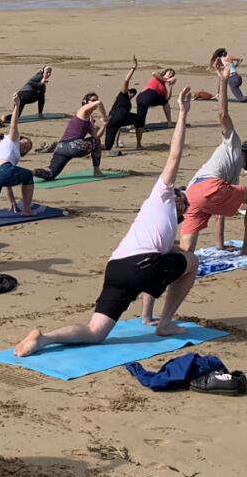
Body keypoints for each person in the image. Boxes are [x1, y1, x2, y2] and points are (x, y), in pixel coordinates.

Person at [15, 89, 198, 354]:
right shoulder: (163, 196)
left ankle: (43, 339)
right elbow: (175, 155)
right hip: (140, 266)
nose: (183, 199)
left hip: (116, 269)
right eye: (182, 196)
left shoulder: (160, 226)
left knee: (95, 332)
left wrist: (145, 316)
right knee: (192, 262)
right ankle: (166, 323)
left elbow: (155, 274)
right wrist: (182, 114)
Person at [177, 59, 247, 253]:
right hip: (207, 187)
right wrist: (224, 81)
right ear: (246, 147)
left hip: (192, 194)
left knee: (187, 249)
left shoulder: (232, 178)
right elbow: (222, 114)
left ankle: (173, 262)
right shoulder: (233, 142)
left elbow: (220, 214)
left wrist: (220, 245)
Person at [33, 92, 104, 180]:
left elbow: (96, 136)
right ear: (86, 102)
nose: (95, 101)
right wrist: (105, 117)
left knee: (50, 173)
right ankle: (96, 171)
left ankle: (31, 172)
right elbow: (99, 103)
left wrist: (104, 125)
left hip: (61, 147)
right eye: (93, 100)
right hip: (74, 146)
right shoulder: (82, 110)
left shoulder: (88, 121)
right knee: (96, 142)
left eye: (96, 99)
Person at [101, 57, 144, 151]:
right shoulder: (123, 94)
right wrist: (133, 68)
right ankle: (138, 144)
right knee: (140, 119)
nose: (132, 95)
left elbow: (119, 125)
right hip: (119, 116)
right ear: (129, 92)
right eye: (132, 93)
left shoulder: (125, 101)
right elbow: (126, 80)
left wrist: (116, 143)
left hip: (112, 120)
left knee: (107, 146)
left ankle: (89, 147)